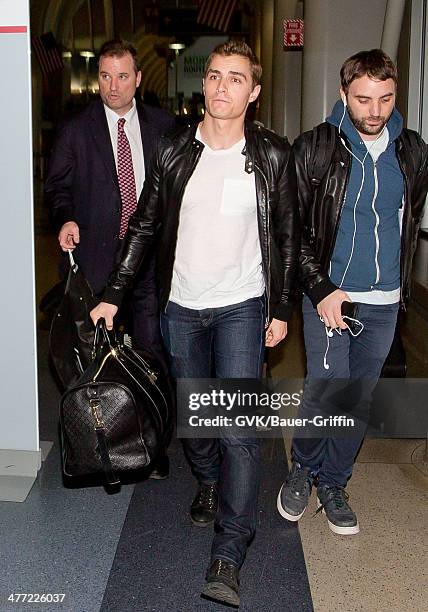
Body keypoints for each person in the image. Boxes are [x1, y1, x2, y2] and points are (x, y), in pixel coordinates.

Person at [91, 40, 299, 607]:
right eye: (213, 76)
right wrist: (114, 292)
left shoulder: (273, 156)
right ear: (202, 84)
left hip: (242, 306)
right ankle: (206, 477)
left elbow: (286, 238)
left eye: (235, 78)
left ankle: (229, 552)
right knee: (195, 416)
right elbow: (145, 227)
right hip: (181, 305)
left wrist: (280, 307)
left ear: (253, 92)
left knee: (239, 431)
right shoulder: (174, 149)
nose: (221, 87)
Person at [277, 49, 428, 536]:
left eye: (385, 99)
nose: (375, 110)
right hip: (329, 295)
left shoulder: (412, 150)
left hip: (384, 301)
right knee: (326, 391)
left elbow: (408, 221)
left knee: (357, 398)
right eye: (363, 99)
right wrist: (318, 287)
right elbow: (292, 231)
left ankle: (335, 482)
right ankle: (304, 469)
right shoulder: (315, 148)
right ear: (344, 94)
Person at [45, 39, 175, 478]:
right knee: (95, 359)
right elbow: (57, 187)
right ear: (97, 79)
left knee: (151, 352)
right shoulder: (76, 129)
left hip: (147, 266)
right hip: (95, 262)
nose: (114, 86)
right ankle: (104, 439)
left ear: (138, 79)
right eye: (105, 76)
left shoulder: (164, 127)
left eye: (123, 76)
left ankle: (151, 443)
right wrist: (65, 218)